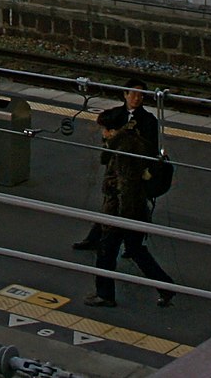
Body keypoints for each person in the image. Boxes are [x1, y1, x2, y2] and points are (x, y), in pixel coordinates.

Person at [84, 106, 175, 308]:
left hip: (122, 211)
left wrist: (119, 218)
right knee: (136, 251)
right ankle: (166, 287)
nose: (102, 133)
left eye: (104, 129)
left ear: (112, 130)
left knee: (106, 253)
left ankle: (105, 294)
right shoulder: (133, 141)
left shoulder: (122, 150)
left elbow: (125, 185)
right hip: (135, 209)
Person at [75, 81, 160, 249]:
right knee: (112, 203)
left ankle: (126, 244)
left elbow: (151, 147)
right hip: (115, 168)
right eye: (133, 94)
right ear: (125, 95)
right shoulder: (116, 114)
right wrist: (108, 133)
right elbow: (103, 120)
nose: (137, 98)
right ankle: (110, 241)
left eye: (141, 95)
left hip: (133, 168)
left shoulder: (148, 120)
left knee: (128, 204)